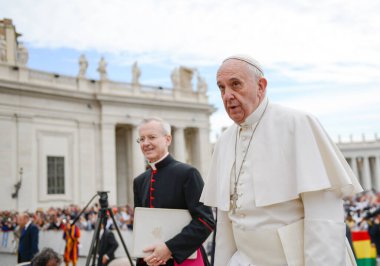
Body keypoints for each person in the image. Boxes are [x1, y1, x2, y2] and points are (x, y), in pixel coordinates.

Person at [200, 55, 363, 265]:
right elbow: (226, 222)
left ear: (261, 86)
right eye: (221, 88)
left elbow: (324, 217)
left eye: (236, 85)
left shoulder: (298, 124)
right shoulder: (224, 141)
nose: (227, 95)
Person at [133, 117, 215, 266]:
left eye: (152, 137)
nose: (146, 143)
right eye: (141, 139)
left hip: (184, 259)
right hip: (150, 261)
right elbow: (141, 223)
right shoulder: (140, 181)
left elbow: (205, 221)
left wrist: (170, 248)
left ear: (168, 139)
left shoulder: (188, 173)